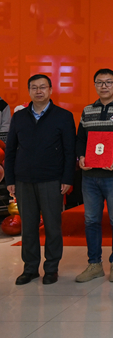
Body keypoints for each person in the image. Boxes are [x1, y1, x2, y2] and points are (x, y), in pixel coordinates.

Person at [4, 74, 76, 285]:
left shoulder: (63, 116)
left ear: (51, 90)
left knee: (52, 226)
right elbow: (10, 150)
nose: (38, 91)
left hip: (52, 180)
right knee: (28, 227)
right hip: (23, 180)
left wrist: (67, 178)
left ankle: (51, 268)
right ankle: (30, 268)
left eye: (42, 87)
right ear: (29, 91)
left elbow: (69, 151)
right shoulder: (19, 117)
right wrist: (10, 179)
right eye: (34, 87)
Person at [75, 69, 113, 283]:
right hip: (90, 176)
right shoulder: (87, 110)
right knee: (91, 220)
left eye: (109, 82)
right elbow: (80, 139)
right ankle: (94, 264)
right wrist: (80, 157)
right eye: (100, 82)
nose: (104, 86)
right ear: (94, 85)